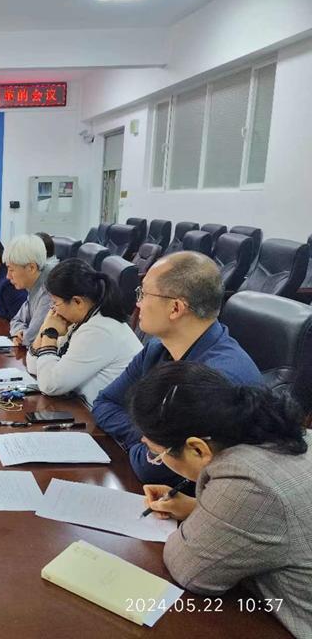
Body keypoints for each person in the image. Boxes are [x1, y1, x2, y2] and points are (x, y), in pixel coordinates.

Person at [129, 362, 312, 639]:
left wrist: (210, 513)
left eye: (157, 453)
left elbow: (189, 570)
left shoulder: (248, 482)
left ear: (197, 449)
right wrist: (199, 508)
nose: (157, 460)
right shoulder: (289, 435)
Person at [92, 251, 262, 486]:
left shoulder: (216, 379)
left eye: (143, 294)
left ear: (175, 308)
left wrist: (149, 443)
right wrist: (149, 438)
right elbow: (104, 403)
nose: (137, 303)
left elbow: (150, 469)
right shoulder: (156, 349)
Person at [26, 258, 142, 405]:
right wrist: (45, 327)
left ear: (77, 302)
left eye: (55, 303)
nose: (53, 309)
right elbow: (34, 367)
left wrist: (50, 333)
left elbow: (49, 385)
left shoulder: (99, 330)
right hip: (84, 408)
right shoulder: (83, 319)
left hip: (103, 415)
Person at [6, 234, 58, 346]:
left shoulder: (50, 289)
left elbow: (32, 338)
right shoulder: (34, 283)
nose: (8, 276)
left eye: (11, 270)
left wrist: (24, 335)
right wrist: (20, 331)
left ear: (31, 268)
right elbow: (16, 320)